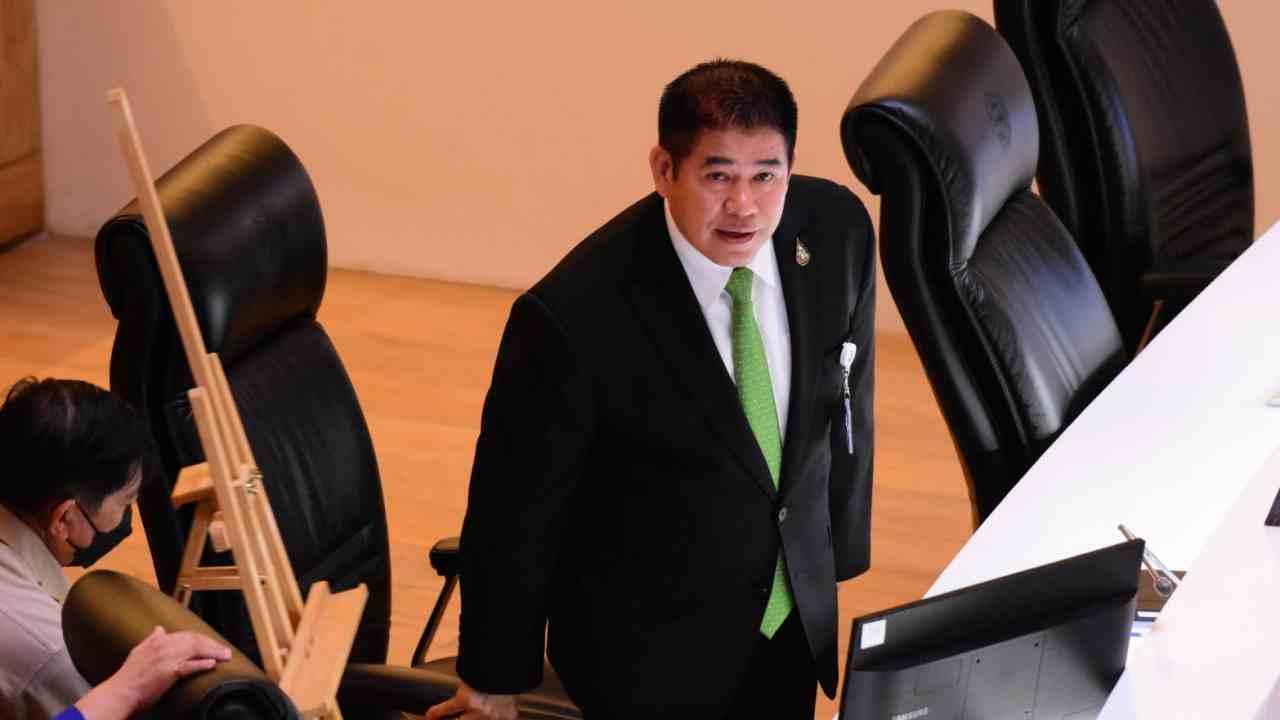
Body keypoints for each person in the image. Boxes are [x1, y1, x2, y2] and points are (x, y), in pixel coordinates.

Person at [428, 59, 876, 720]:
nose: (744, 206)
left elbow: (847, 402)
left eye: (765, 175)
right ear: (665, 170)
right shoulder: (573, 315)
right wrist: (492, 676)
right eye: (718, 176)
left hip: (786, 626)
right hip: (646, 657)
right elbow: (513, 510)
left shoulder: (836, 231)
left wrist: (837, 552)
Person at [0, 378, 231, 720]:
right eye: (124, 502)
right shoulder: (47, 655)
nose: (124, 517)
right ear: (64, 518)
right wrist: (128, 689)